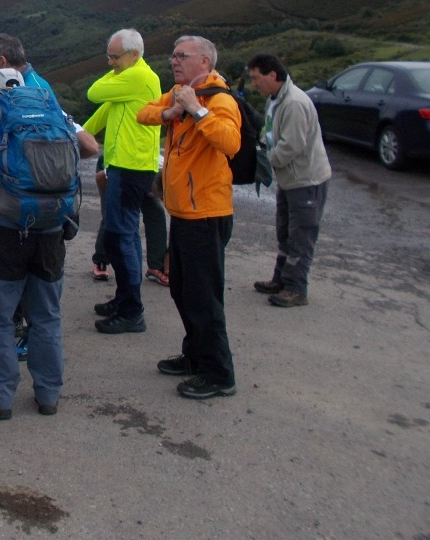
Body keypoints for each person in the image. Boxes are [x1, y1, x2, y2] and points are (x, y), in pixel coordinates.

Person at [0, 67, 98, 420]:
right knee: (46, 314)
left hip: (8, 227)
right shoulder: (54, 112)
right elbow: (91, 147)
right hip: (52, 227)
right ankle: (48, 395)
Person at [137, 35, 241, 400]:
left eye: (182, 55)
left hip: (207, 213)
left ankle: (219, 374)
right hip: (183, 212)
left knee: (203, 297)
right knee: (183, 290)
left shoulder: (219, 99)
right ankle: (195, 355)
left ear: (205, 62)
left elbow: (230, 142)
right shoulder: (177, 93)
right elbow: (143, 113)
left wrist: (197, 110)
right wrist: (169, 112)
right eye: (173, 55)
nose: (174, 61)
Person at [83, 29, 163, 334]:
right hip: (123, 167)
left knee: (121, 236)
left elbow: (94, 93)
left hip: (132, 169)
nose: (110, 63)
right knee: (122, 236)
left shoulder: (139, 77)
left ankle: (132, 311)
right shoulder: (128, 84)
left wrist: (114, 72)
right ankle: (124, 299)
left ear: (135, 54)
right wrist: (77, 134)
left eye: (115, 57)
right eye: (109, 57)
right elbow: (104, 112)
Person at [246, 53, 332, 308]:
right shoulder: (275, 100)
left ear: (273, 75)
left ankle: (296, 288)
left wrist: (264, 162)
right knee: (285, 231)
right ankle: (281, 279)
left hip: (305, 180)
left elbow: (292, 145)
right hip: (290, 179)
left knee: (301, 235)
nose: (254, 84)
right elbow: (270, 132)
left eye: (256, 78)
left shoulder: (294, 103)